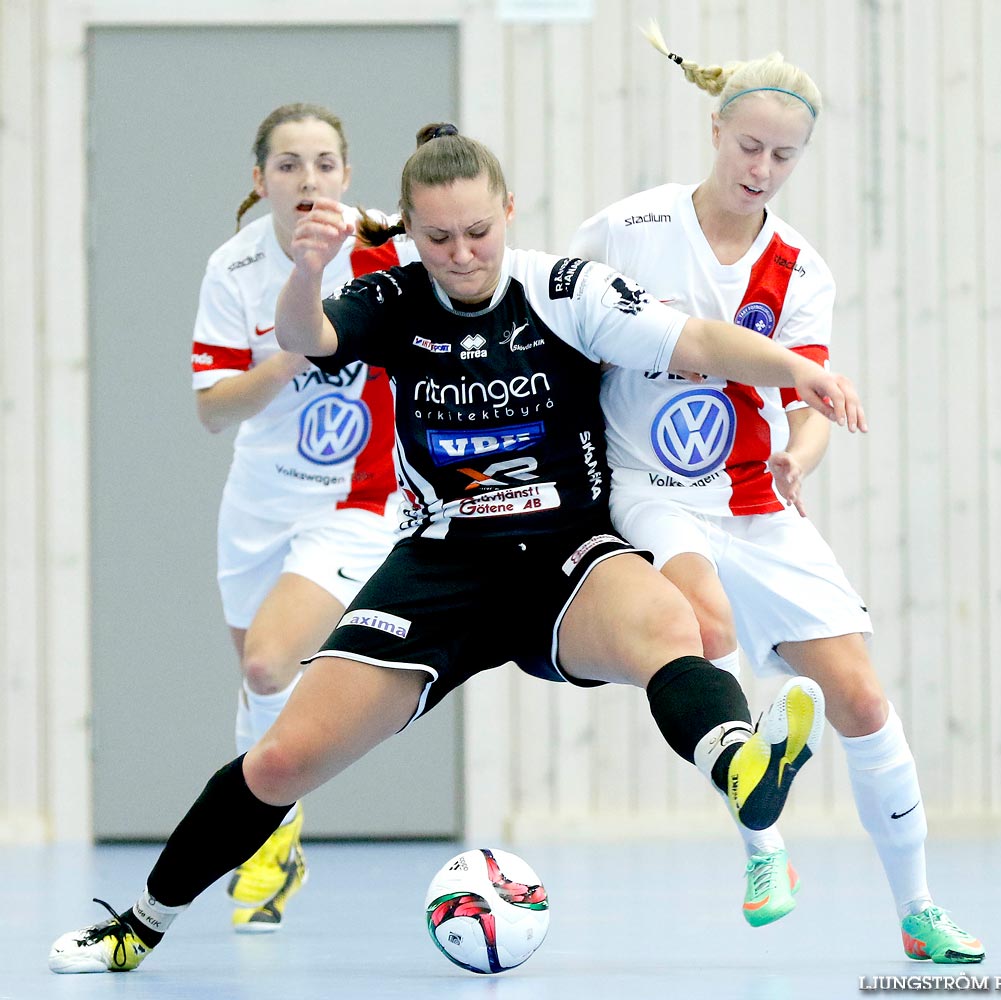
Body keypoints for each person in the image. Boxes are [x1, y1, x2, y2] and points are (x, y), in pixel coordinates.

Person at [48, 122, 865, 974]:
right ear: (409, 230)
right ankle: (138, 924)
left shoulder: (564, 287)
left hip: (565, 555)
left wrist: (793, 370)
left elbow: (694, 340)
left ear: (508, 212)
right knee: (282, 756)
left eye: (480, 232)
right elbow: (305, 338)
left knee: (672, 627)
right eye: (438, 237)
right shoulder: (395, 299)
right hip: (442, 564)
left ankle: (740, 762)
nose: (463, 254)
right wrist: (304, 270)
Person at [568, 24, 984, 964]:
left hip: (755, 499)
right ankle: (764, 845)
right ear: (715, 131)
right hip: (650, 488)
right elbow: (561, 323)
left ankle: (918, 911)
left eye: (783, 156)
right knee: (706, 631)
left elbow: (812, 399)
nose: (762, 168)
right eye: (748, 146)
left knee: (862, 699)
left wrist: (801, 455)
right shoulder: (629, 229)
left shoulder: (801, 269)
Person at [190, 102, 417, 933]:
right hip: (259, 498)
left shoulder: (383, 248)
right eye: (287, 164)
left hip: (356, 500)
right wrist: (294, 343)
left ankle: (263, 833)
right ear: (261, 180)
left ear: (345, 175)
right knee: (255, 685)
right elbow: (214, 409)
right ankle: (279, 831)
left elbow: (470, 266)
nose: (307, 179)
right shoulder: (235, 266)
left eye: (324, 163)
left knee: (267, 663)